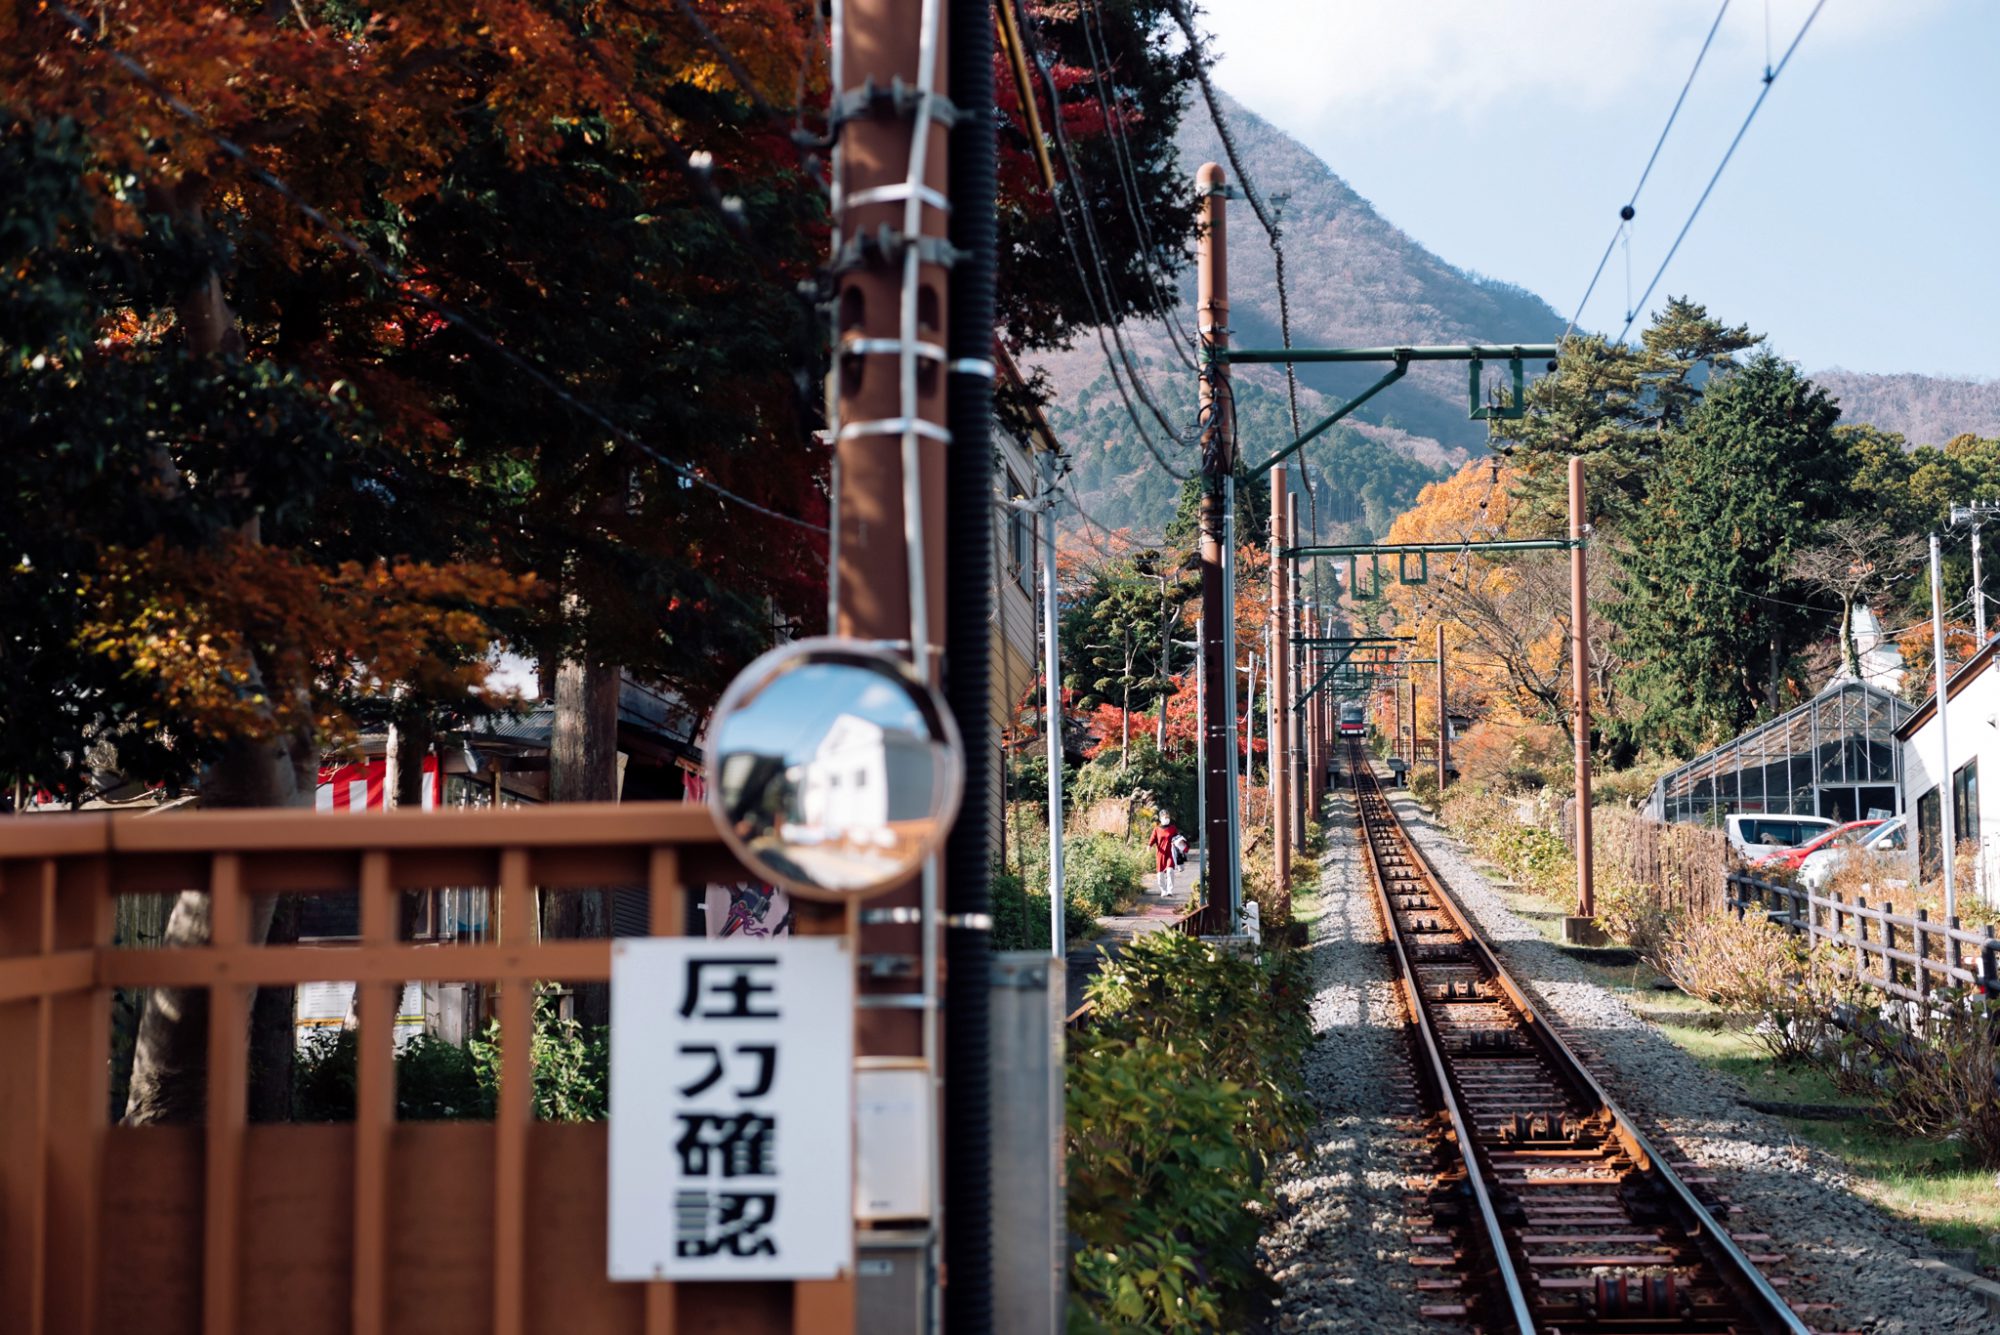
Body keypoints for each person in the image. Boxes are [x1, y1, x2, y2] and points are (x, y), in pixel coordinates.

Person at [1147, 813, 1179, 895]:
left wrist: (1179, 844)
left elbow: (1177, 838)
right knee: (1160, 874)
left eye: (1168, 817)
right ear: (1160, 819)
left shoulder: (1173, 828)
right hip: (1160, 854)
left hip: (1170, 853)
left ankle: (1170, 890)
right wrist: (1149, 846)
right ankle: (1163, 890)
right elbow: (1152, 839)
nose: (1167, 819)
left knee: (1170, 871)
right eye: (1165, 817)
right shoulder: (1157, 829)